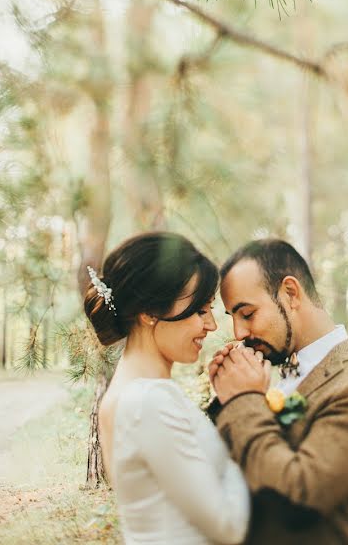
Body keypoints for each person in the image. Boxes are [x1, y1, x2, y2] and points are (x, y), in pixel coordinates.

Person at [208, 239, 348, 544]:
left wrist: (243, 400)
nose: (238, 334)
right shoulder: (278, 372)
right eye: (233, 318)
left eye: (247, 314)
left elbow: (297, 500)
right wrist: (226, 399)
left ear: (291, 293)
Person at [84, 231, 253, 545]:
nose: (212, 325)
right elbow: (228, 526)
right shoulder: (147, 401)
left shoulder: (136, 394)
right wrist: (246, 409)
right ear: (149, 312)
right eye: (200, 310)